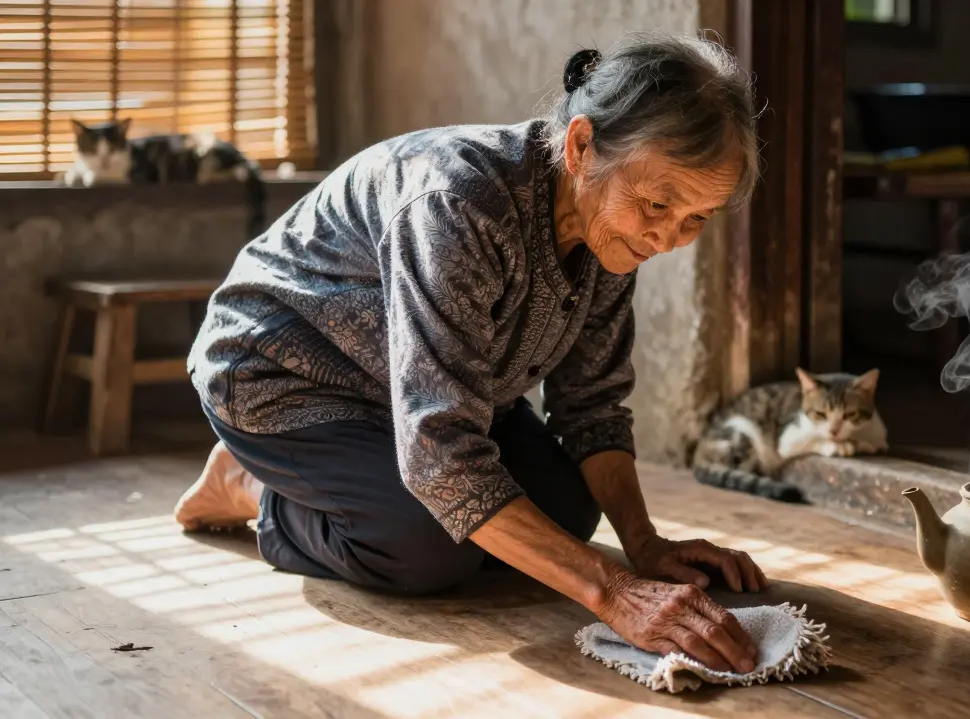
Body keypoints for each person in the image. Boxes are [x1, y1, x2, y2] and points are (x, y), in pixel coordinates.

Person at [175, 33, 764, 674]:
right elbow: (441, 458)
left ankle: (342, 483)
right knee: (426, 548)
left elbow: (591, 404)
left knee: (567, 511)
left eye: (696, 218)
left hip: (434, 393)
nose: (669, 237)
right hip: (285, 377)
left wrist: (644, 547)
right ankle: (257, 489)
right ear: (581, 147)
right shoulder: (460, 200)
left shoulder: (614, 229)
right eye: (658, 205)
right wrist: (613, 590)